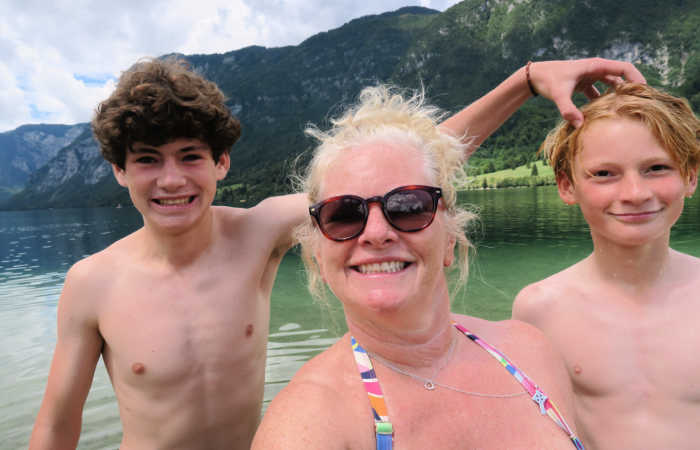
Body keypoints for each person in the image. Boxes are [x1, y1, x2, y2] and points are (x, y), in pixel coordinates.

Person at [28, 56, 642, 449]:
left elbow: (404, 174)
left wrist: (525, 81)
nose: (171, 180)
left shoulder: (259, 230)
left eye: (190, 156)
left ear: (221, 163)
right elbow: (57, 425)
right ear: (117, 171)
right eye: (146, 161)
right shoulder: (93, 282)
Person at [250, 73, 649, 449]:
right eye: (344, 214)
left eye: (408, 207)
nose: (376, 232)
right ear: (317, 254)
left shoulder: (529, 350)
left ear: (451, 237)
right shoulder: (308, 426)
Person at [512, 83, 700, 450]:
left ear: (690, 176)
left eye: (657, 168)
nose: (634, 193)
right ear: (567, 186)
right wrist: (527, 80)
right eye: (604, 174)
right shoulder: (540, 307)